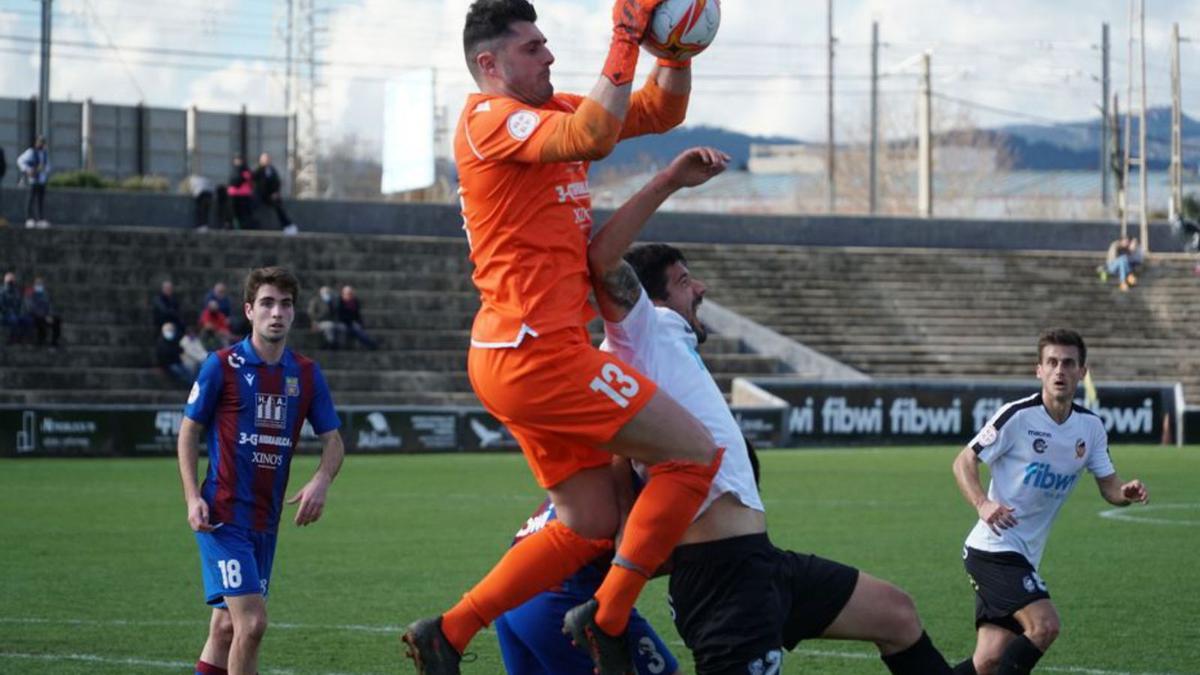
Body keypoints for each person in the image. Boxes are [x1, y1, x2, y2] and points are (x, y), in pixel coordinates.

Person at [401, 2, 721, 674]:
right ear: (489, 64)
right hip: (534, 354)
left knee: (590, 520)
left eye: (547, 44)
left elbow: (659, 113)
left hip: (523, 354)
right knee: (695, 452)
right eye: (532, 47)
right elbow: (595, 135)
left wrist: (677, 50)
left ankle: (449, 631)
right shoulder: (488, 119)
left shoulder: (553, 115)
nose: (548, 56)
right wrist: (626, 32)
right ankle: (606, 620)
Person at [590, 147, 955, 675]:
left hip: (760, 560)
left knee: (896, 614)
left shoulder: (668, 344)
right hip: (723, 578)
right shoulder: (638, 334)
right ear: (652, 301)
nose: (702, 288)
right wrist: (669, 179)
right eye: (686, 280)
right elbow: (602, 259)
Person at [950, 329, 1149, 675]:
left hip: (1025, 555)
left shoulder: (1090, 427)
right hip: (993, 550)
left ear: (1082, 372)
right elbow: (963, 461)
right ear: (1038, 370)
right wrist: (983, 504)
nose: (1060, 370)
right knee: (1044, 626)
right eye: (1052, 362)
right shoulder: (1017, 416)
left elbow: (1109, 486)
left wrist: (1124, 493)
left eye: (1068, 363)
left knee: (989, 661)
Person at [177, 266, 344, 675]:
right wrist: (191, 497)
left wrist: (321, 479)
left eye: (285, 304)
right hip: (223, 517)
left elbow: (334, 442)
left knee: (226, 629)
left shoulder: (305, 373)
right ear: (250, 311)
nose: (277, 313)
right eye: (267, 304)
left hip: (265, 522)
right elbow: (188, 432)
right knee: (252, 623)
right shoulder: (222, 365)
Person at [495, 494, 680, 675]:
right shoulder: (627, 483)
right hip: (564, 601)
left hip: (507, 597)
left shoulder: (580, 484)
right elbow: (631, 555)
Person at [253, 153, 297, 235]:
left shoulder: (272, 170)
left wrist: (275, 192)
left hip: (270, 196)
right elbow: (254, 180)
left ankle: (288, 225)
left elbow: (277, 182)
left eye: (267, 159)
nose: (266, 161)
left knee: (278, 207)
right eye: (264, 159)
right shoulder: (258, 170)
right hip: (259, 195)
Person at [17, 136, 50, 228]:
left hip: (41, 180)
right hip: (33, 180)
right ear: (36, 143)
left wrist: (44, 169)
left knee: (40, 200)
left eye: (43, 143)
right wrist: (28, 170)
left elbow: (48, 166)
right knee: (30, 199)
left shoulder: (44, 153)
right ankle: (29, 218)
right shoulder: (31, 152)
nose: (41, 144)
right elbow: (20, 161)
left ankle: (40, 219)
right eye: (40, 142)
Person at [336, 285, 378, 350]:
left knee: (358, 329)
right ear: (342, 293)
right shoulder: (339, 302)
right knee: (343, 328)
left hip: (351, 323)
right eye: (346, 293)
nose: (348, 295)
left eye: (350, 293)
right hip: (342, 322)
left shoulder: (354, 301)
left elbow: (357, 315)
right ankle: (340, 347)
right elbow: (339, 315)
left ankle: (372, 344)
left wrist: (359, 323)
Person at [25, 276, 61, 348]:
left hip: (46, 316)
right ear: (34, 284)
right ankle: (40, 341)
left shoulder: (45, 293)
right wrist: (44, 315)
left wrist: (50, 314)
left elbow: (49, 305)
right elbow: (31, 307)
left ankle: (54, 342)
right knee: (39, 321)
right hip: (35, 315)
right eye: (38, 283)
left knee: (57, 320)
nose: (39, 285)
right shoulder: (30, 293)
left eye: (41, 283)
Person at [226, 155, 258, 230]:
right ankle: (234, 226)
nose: (237, 161)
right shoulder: (235, 170)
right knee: (234, 212)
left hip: (243, 194)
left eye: (239, 160)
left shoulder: (245, 170)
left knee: (242, 213)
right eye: (236, 160)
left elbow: (240, 181)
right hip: (234, 194)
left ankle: (240, 227)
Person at [307, 285, 343, 350]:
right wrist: (316, 321)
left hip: (332, 321)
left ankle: (340, 345)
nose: (326, 293)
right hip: (319, 322)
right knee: (329, 326)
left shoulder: (333, 301)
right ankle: (331, 344)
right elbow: (311, 313)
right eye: (325, 292)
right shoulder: (315, 300)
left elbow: (336, 313)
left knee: (342, 327)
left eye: (328, 292)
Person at [157, 322, 191, 386]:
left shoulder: (175, 340)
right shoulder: (161, 342)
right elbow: (162, 355)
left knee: (188, 371)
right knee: (180, 372)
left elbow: (180, 350)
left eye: (171, 330)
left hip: (177, 362)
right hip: (169, 364)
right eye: (168, 330)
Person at [1, 271, 31, 344]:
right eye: (9, 281)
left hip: (16, 313)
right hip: (5, 315)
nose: (11, 283)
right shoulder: (1, 292)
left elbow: (20, 303)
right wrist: (10, 312)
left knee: (28, 320)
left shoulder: (16, 291)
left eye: (12, 280)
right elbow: (2, 306)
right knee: (13, 319)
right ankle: (12, 339)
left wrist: (21, 312)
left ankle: (23, 338)